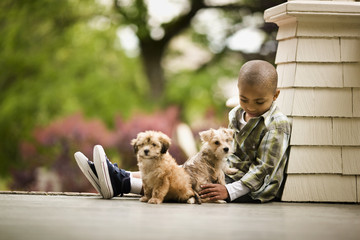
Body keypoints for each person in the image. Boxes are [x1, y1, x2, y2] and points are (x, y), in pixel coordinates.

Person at [74, 60, 291, 203]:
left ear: (276, 95)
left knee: (185, 184)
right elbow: (228, 154)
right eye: (244, 99)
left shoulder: (277, 124)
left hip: (251, 189)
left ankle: (121, 182)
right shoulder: (236, 113)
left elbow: (265, 168)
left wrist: (230, 191)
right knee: (182, 171)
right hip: (226, 173)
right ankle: (116, 175)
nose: (250, 107)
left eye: (259, 101)